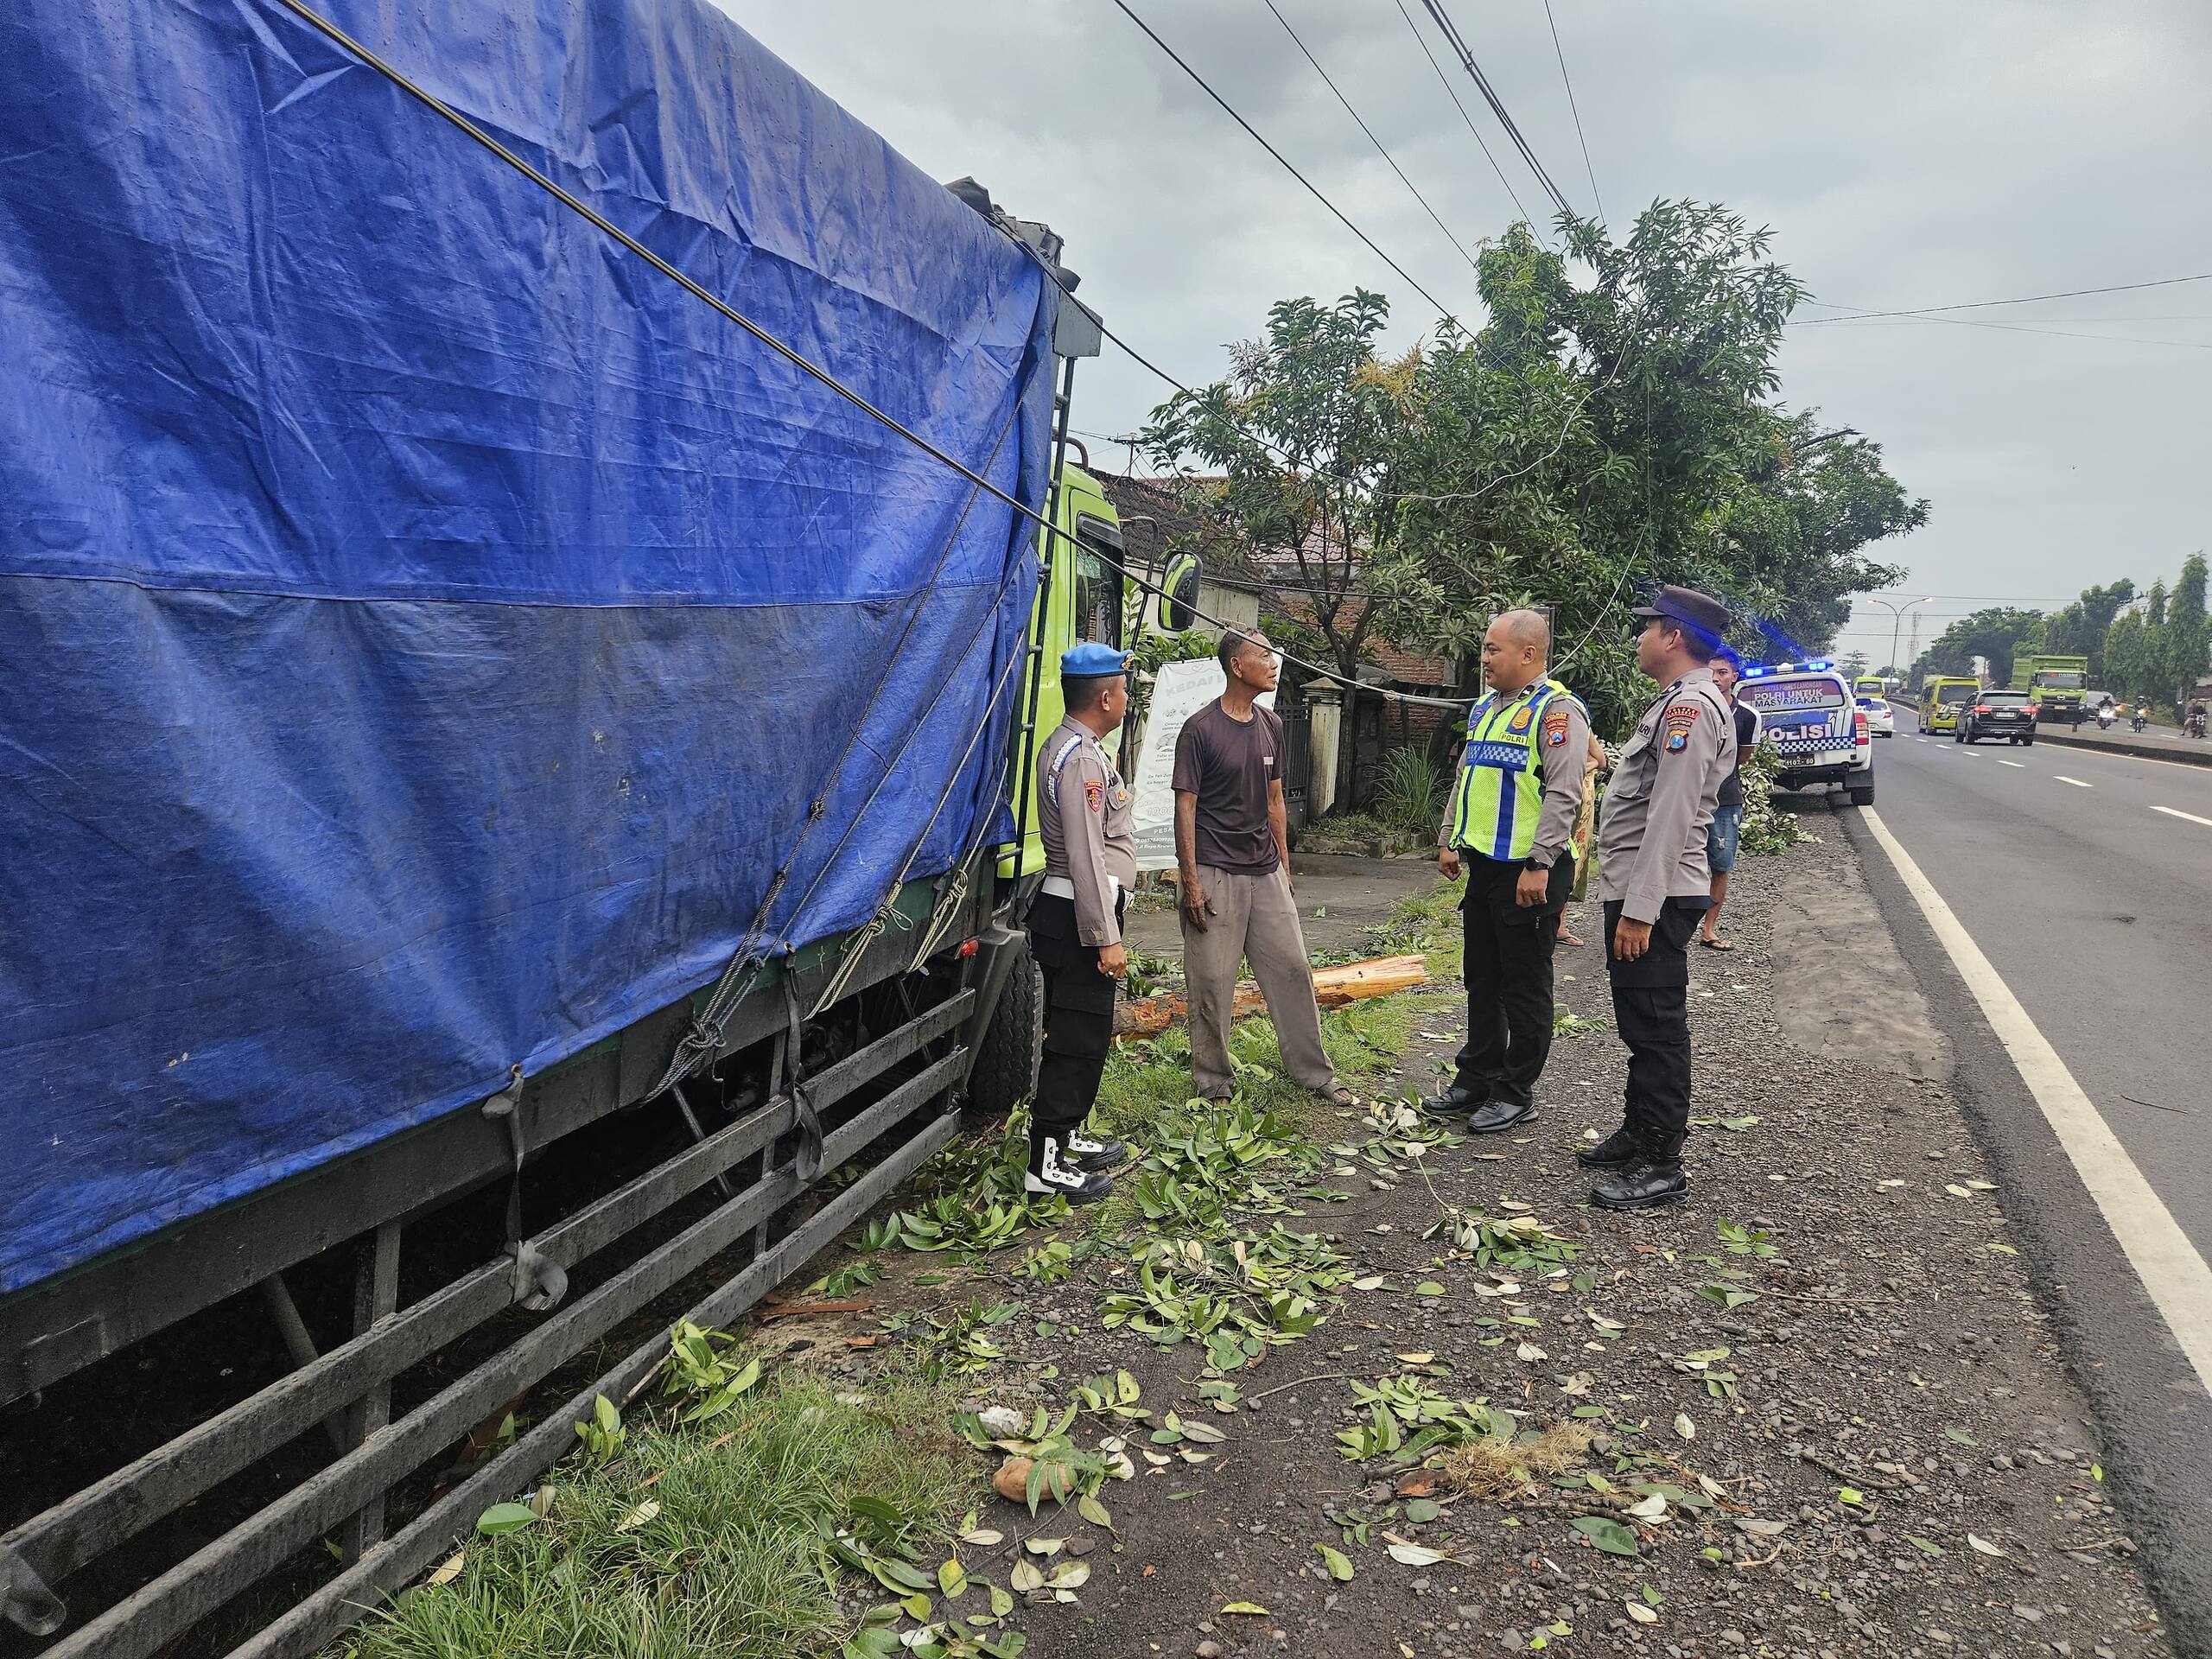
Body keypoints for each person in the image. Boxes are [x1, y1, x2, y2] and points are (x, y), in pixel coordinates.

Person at [1578, 585, 1738, 1211]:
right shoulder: (1678, 701)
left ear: (1673, 635)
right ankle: (1638, 1132)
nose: (1639, 638)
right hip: (1648, 887)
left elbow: (1671, 813)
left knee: (1657, 1027)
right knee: (1639, 1023)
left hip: (1660, 894)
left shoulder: (1690, 708)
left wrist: (1641, 908)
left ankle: (1662, 1162)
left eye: (1647, 628)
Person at [1174, 630, 1358, 1109]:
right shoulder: (1200, 729)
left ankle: (1314, 1075)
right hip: (1215, 871)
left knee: (1294, 968)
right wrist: (1190, 880)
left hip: (1266, 869)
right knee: (1212, 981)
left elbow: (1276, 801)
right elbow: (1186, 809)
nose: (1274, 662)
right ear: (1237, 666)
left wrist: (1285, 866)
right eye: (1263, 655)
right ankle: (1214, 1082)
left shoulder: (1272, 724)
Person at [1427, 611, 1592, 1132]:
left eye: (1494, 649)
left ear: (1529, 654)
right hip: (1484, 864)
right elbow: (1466, 776)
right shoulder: (1483, 708)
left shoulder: (1558, 713)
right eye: (1485, 647)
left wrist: (1538, 863)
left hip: (1530, 869)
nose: (1484, 657)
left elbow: (1565, 793)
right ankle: (1477, 1077)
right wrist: (1449, 837)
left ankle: (1516, 1089)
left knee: (1523, 983)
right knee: (1482, 976)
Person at [1027, 642, 1141, 1203]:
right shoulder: (1080, 760)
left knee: (1084, 1039)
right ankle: (1044, 1168)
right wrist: (1107, 937)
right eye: (1123, 689)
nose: (1127, 696)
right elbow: (1088, 854)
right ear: (1104, 696)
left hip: (1074, 911)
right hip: (1078, 917)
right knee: (1074, 1045)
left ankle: (1065, 1139)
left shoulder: (1079, 747)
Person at [1697, 652, 1763, 952]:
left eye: (1723, 672)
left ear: (1734, 676)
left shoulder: (1747, 716)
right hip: (1690, 798)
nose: (1715, 678)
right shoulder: (1693, 708)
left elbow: (1742, 758)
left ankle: (1708, 929)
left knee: (1720, 865)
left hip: (1726, 799)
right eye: (1711, 672)